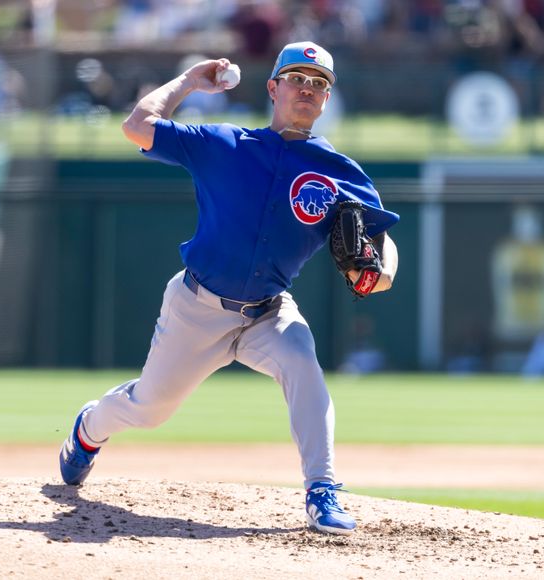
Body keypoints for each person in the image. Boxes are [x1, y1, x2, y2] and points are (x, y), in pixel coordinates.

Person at [59, 41, 400, 536]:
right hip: (198, 307)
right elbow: (136, 125)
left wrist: (383, 273)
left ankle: (321, 490)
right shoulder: (224, 144)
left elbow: (382, 241)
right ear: (273, 87)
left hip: (269, 311)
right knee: (149, 409)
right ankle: (88, 430)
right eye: (297, 79)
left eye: (319, 83)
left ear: (327, 99)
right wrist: (188, 83)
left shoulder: (339, 172)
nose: (307, 89)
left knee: (303, 363)